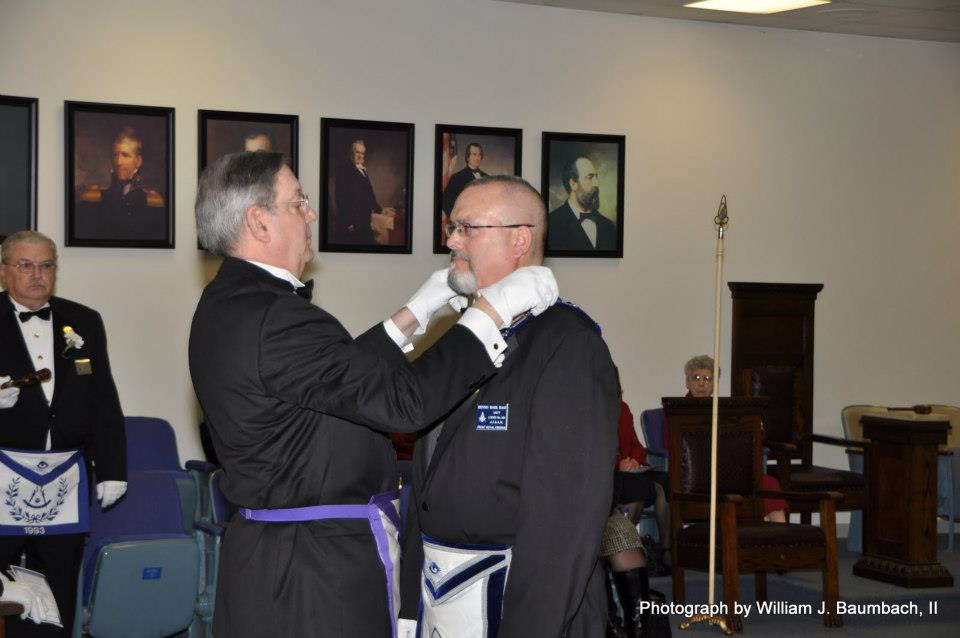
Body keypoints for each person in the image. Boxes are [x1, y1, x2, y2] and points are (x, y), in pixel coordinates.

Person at [188, 151, 558, 638]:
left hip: (278, 557)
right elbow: (405, 404)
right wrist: (488, 314)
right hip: (312, 573)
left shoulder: (233, 302)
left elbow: (331, 385)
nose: (311, 214)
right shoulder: (276, 316)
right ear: (259, 222)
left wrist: (415, 314)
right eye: (298, 202)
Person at [399, 175, 619, 637]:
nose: (451, 240)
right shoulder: (461, 343)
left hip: (518, 601)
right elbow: (426, 489)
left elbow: (564, 521)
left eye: (467, 228)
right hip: (441, 596)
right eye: (451, 227)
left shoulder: (568, 346)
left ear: (520, 239)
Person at [0, 230, 127, 637]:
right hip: (1, 480)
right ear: (4, 272)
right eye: (25, 265)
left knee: (59, 586)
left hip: (65, 484)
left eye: (46, 265)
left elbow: (103, 398)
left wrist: (112, 468)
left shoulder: (84, 320)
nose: (37, 275)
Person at [663, 355, 787, 522]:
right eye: (696, 378)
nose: (701, 383)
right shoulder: (676, 411)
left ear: (714, 385)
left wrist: (757, 429)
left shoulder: (725, 411)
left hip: (727, 469)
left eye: (707, 379)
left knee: (768, 482)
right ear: (687, 382)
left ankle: (777, 540)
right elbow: (669, 445)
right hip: (694, 474)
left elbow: (742, 441)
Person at [75, 127, 167, 241]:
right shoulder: (93, 197)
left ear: (138, 161)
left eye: (125, 155)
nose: (118, 162)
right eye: (115, 155)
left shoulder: (153, 200)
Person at [548, 156, 617, 252]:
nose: (596, 184)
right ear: (573, 184)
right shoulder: (552, 224)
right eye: (590, 177)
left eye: (596, 177)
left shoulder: (609, 227)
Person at [333, 139, 395, 244]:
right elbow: (340, 197)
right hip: (352, 223)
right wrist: (348, 222)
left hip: (364, 220)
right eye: (357, 152)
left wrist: (381, 210)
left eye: (362, 153)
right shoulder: (344, 169)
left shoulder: (362, 170)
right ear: (352, 153)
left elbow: (369, 196)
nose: (360, 156)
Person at [442, 142, 489, 219]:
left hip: (484, 220)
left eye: (479, 155)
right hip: (465, 222)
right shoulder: (457, 178)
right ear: (467, 157)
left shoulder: (487, 178)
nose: (477, 158)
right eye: (474, 154)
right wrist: (458, 219)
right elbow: (446, 202)